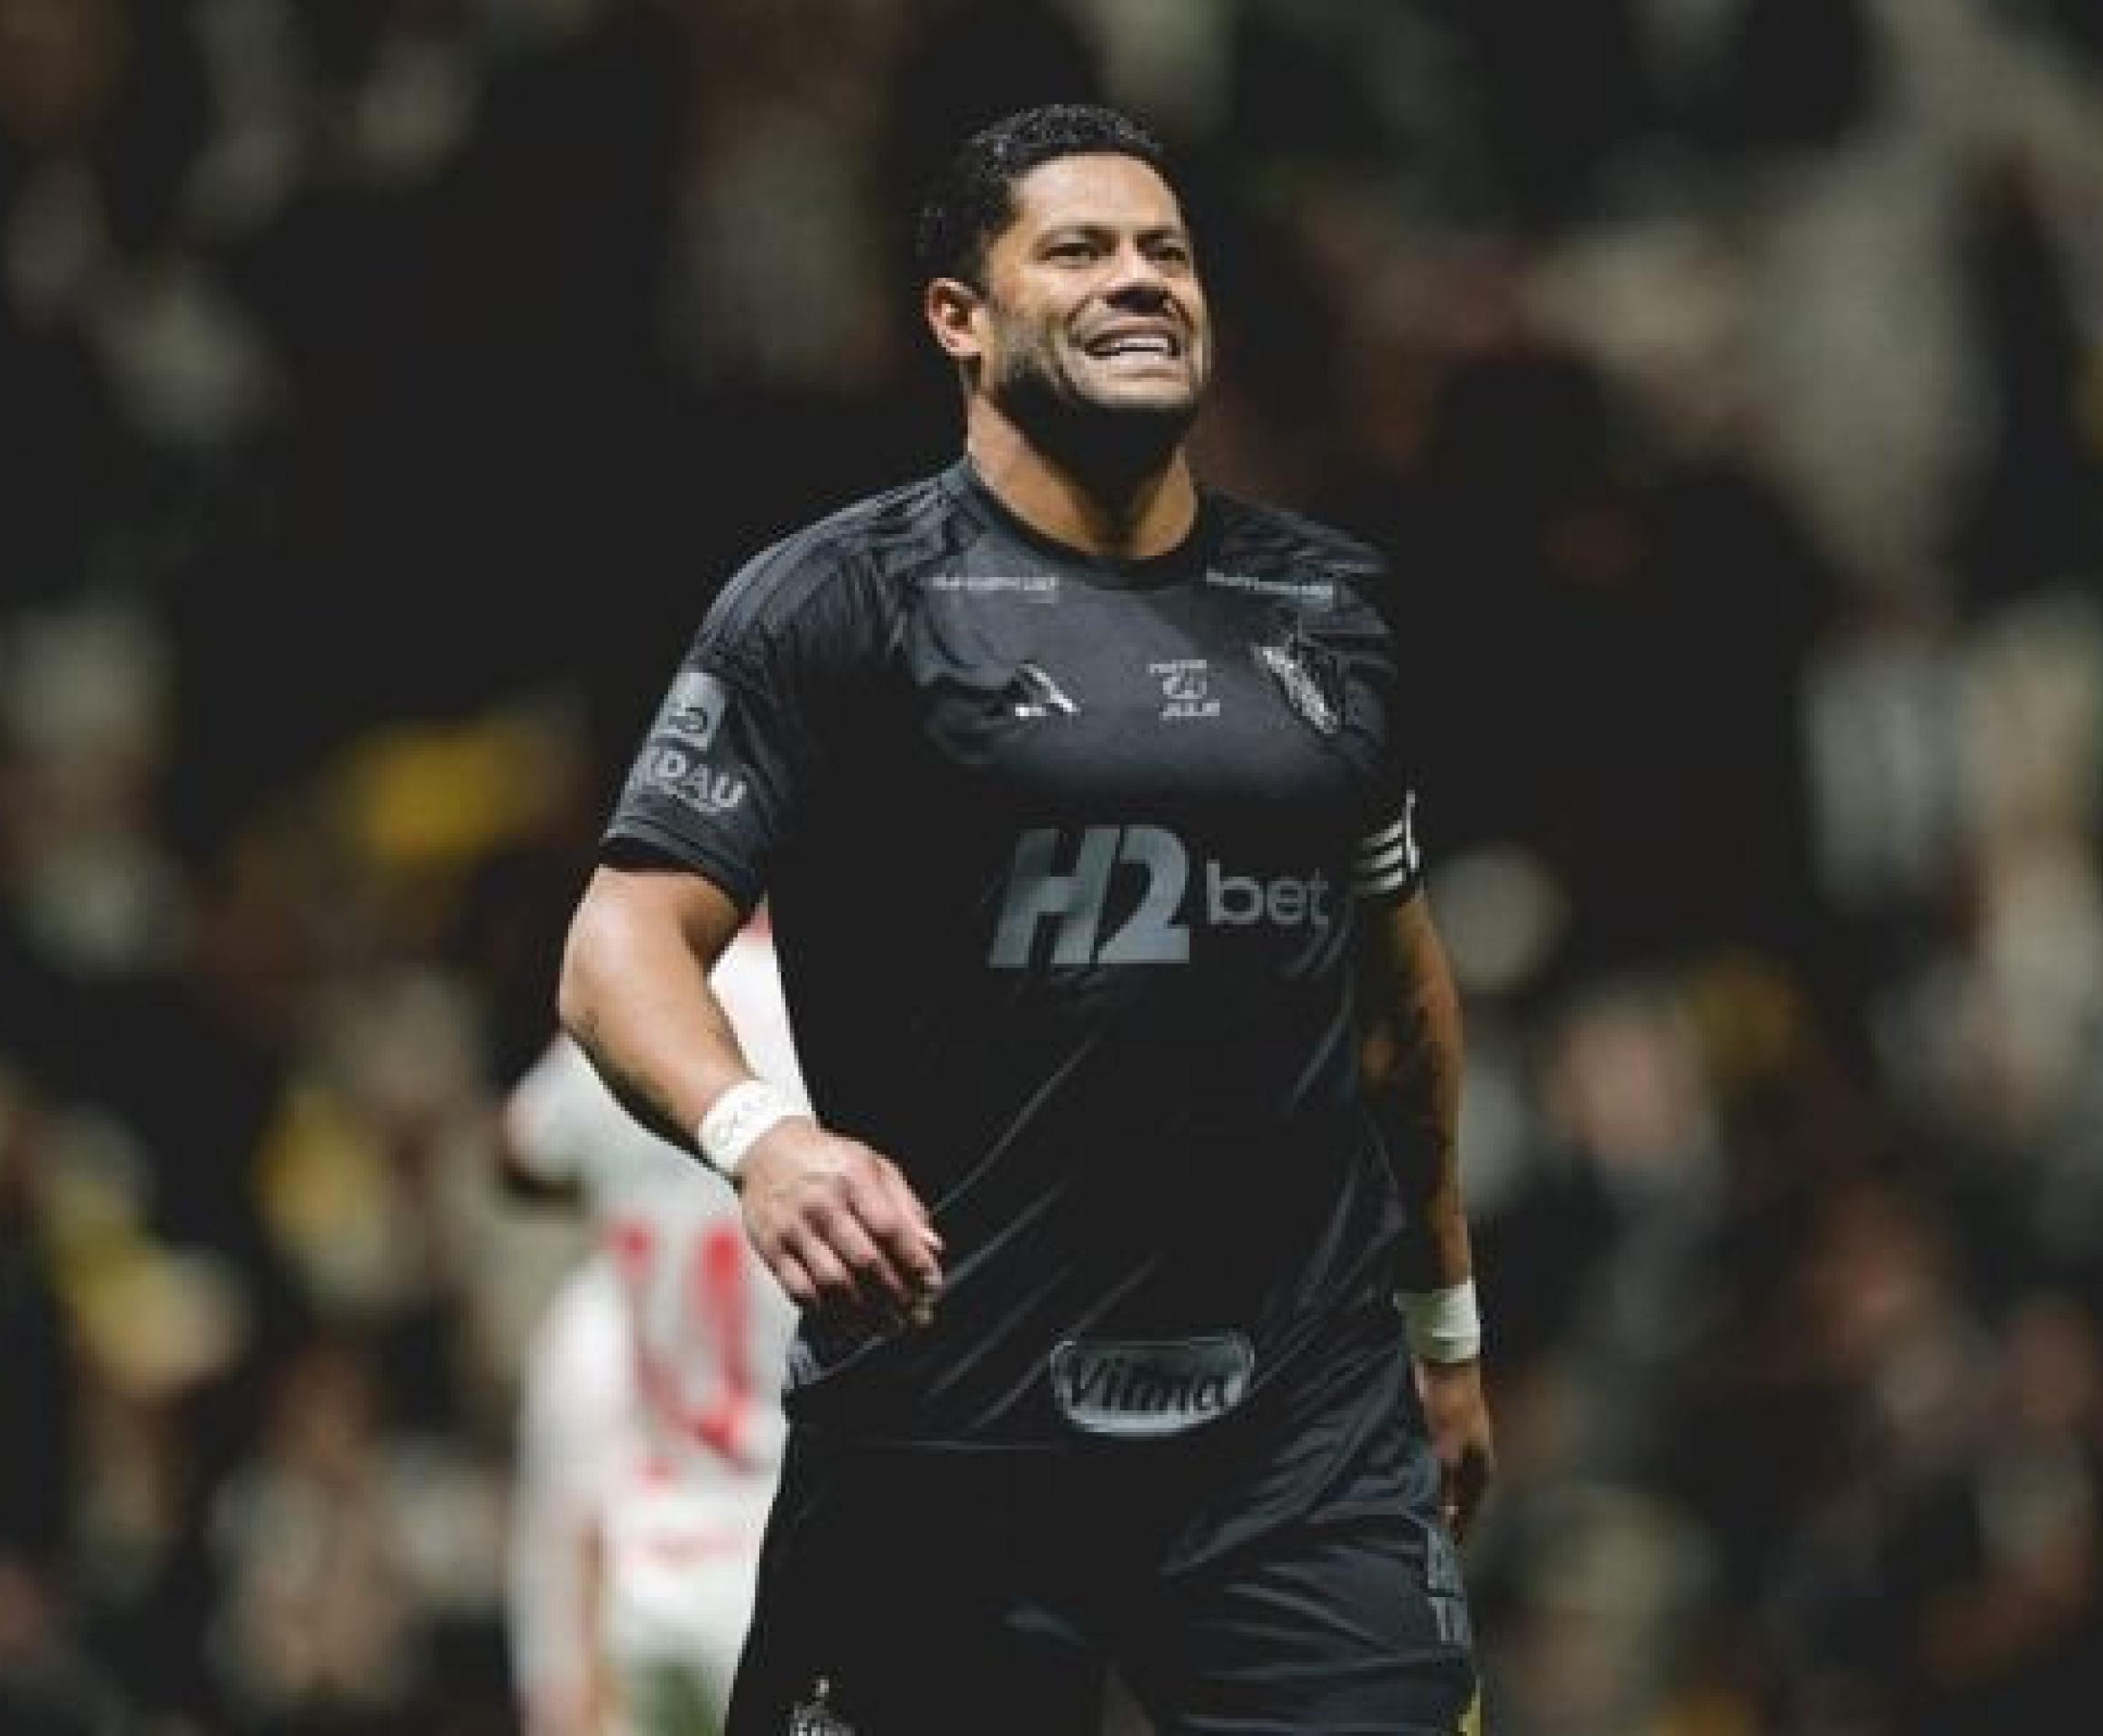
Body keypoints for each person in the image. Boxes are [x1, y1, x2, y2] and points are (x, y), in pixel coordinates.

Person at [556, 101, 1492, 1734]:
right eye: (1079, 250)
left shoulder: (1329, 611)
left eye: (1166, 252)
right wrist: (766, 1142)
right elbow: (616, 946)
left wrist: (1447, 1326)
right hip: (949, 1442)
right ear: (960, 320)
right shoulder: (838, 603)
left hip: (1299, 1440)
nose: (1141, 280)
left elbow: (1398, 1008)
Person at [505, 918, 807, 1736]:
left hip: (651, 1568)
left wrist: (638, 1164)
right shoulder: (843, 1006)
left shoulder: (631, 1002)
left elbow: (521, 1152)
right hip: (793, 1558)